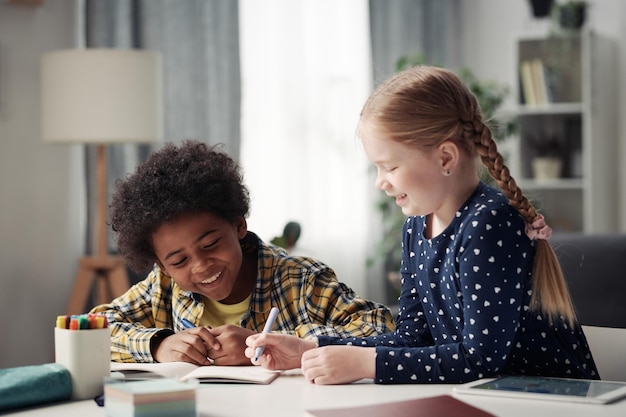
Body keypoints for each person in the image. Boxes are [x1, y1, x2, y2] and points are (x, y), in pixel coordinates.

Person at [245, 65, 599, 384]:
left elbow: (481, 360)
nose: (380, 182)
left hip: (549, 399)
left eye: (390, 167)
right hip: (482, 398)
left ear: (445, 157)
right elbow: (412, 338)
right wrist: (309, 348)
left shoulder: (488, 223)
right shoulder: (416, 227)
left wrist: (366, 363)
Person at [89, 140, 395, 365]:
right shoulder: (163, 285)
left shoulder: (301, 280)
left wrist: (267, 345)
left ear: (238, 225)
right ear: (163, 265)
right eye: (179, 260)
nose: (201, 266)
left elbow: (380, 327)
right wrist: (159, 345)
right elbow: (92, 328)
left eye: (210, 245)